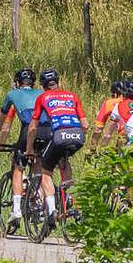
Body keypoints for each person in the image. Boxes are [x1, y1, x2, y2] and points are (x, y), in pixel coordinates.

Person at [23, 68, 87, 222]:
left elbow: (32, 127)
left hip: (59, 135)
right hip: (78, 135)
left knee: (46, 172)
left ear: (43, 85)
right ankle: (69, 194)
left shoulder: (43, 97)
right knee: (64, 161)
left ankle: (51, 210)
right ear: (58, 82)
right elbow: (85, 124)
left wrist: (29, 148)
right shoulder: (73, 96)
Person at [0, 67, 44, 230]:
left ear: (17, 83)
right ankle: (39, 206)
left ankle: (16, 210)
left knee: (18, 167)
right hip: (48, 131)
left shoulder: (12, 94)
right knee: (39, 167)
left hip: (28, 130)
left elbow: (0, 122)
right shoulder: (42, 93)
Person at [91, 80, 126, 148]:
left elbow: (98, 129)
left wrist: (93, 147)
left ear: (115, 94)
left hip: (123, 137)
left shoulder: (109, 103)